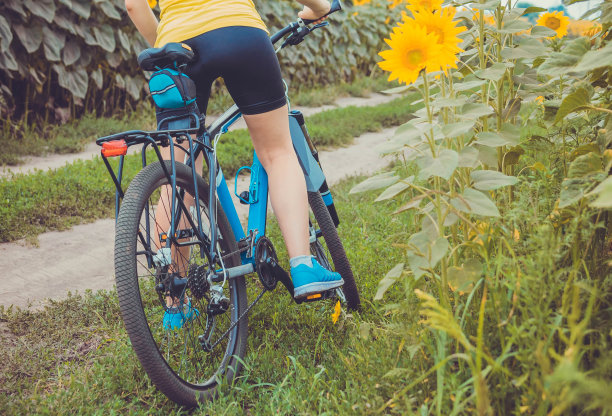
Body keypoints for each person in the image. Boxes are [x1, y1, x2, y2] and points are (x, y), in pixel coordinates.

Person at [124, 0, 344, 329]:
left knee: (179, 175)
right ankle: (302, 265)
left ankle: (175, 304)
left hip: (177, 47)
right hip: (239, 31)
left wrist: (169, 41)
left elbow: (133, 5)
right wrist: (319, 8)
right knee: (277, 152)